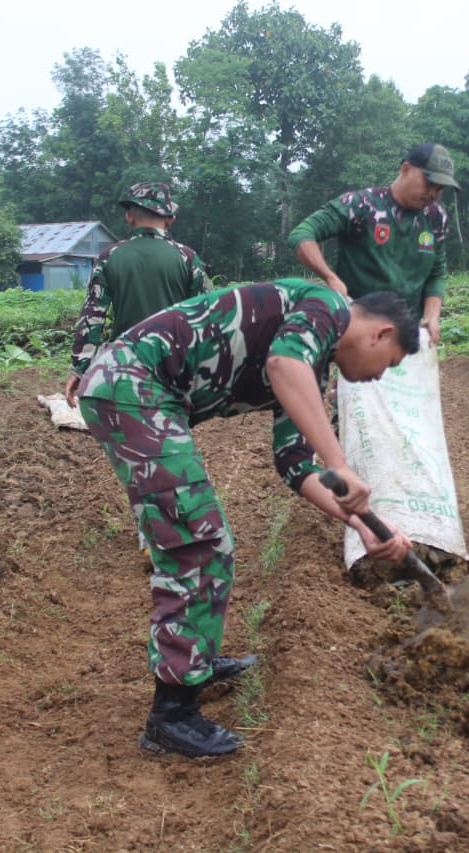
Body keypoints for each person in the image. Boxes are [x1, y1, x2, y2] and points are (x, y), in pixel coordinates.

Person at [76, 279, 419, 758]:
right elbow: (283, 363)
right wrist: (340, 463)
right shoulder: (327, 308)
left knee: (206, 541)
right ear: (381, 334)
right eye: (392, 363)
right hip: (131, 387)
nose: (380, 376)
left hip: (144, 391)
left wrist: (361, 526)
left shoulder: (312, 363)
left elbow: (295, 463)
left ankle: (196, 661)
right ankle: (170, 716)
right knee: (198, 545)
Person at [287, 143, 459, 346]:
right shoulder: (362, 205)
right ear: (406, 169)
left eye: (440, 189)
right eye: (429, 183)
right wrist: (330, 277)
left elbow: (436, 271)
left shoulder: (435, 216)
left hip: (405, 336)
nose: (433, 193)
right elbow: (302, 234)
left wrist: (432, 315)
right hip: (357, 332)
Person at [64, 181, 210, 407]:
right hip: (174, 368)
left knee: (128, 431)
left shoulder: (110, 256)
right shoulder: (188, 258)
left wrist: (80, 367)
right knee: (168, 432)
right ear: (170, 219)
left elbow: (92, 317)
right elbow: (204, 318)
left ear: (129, 217)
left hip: (125, 365)